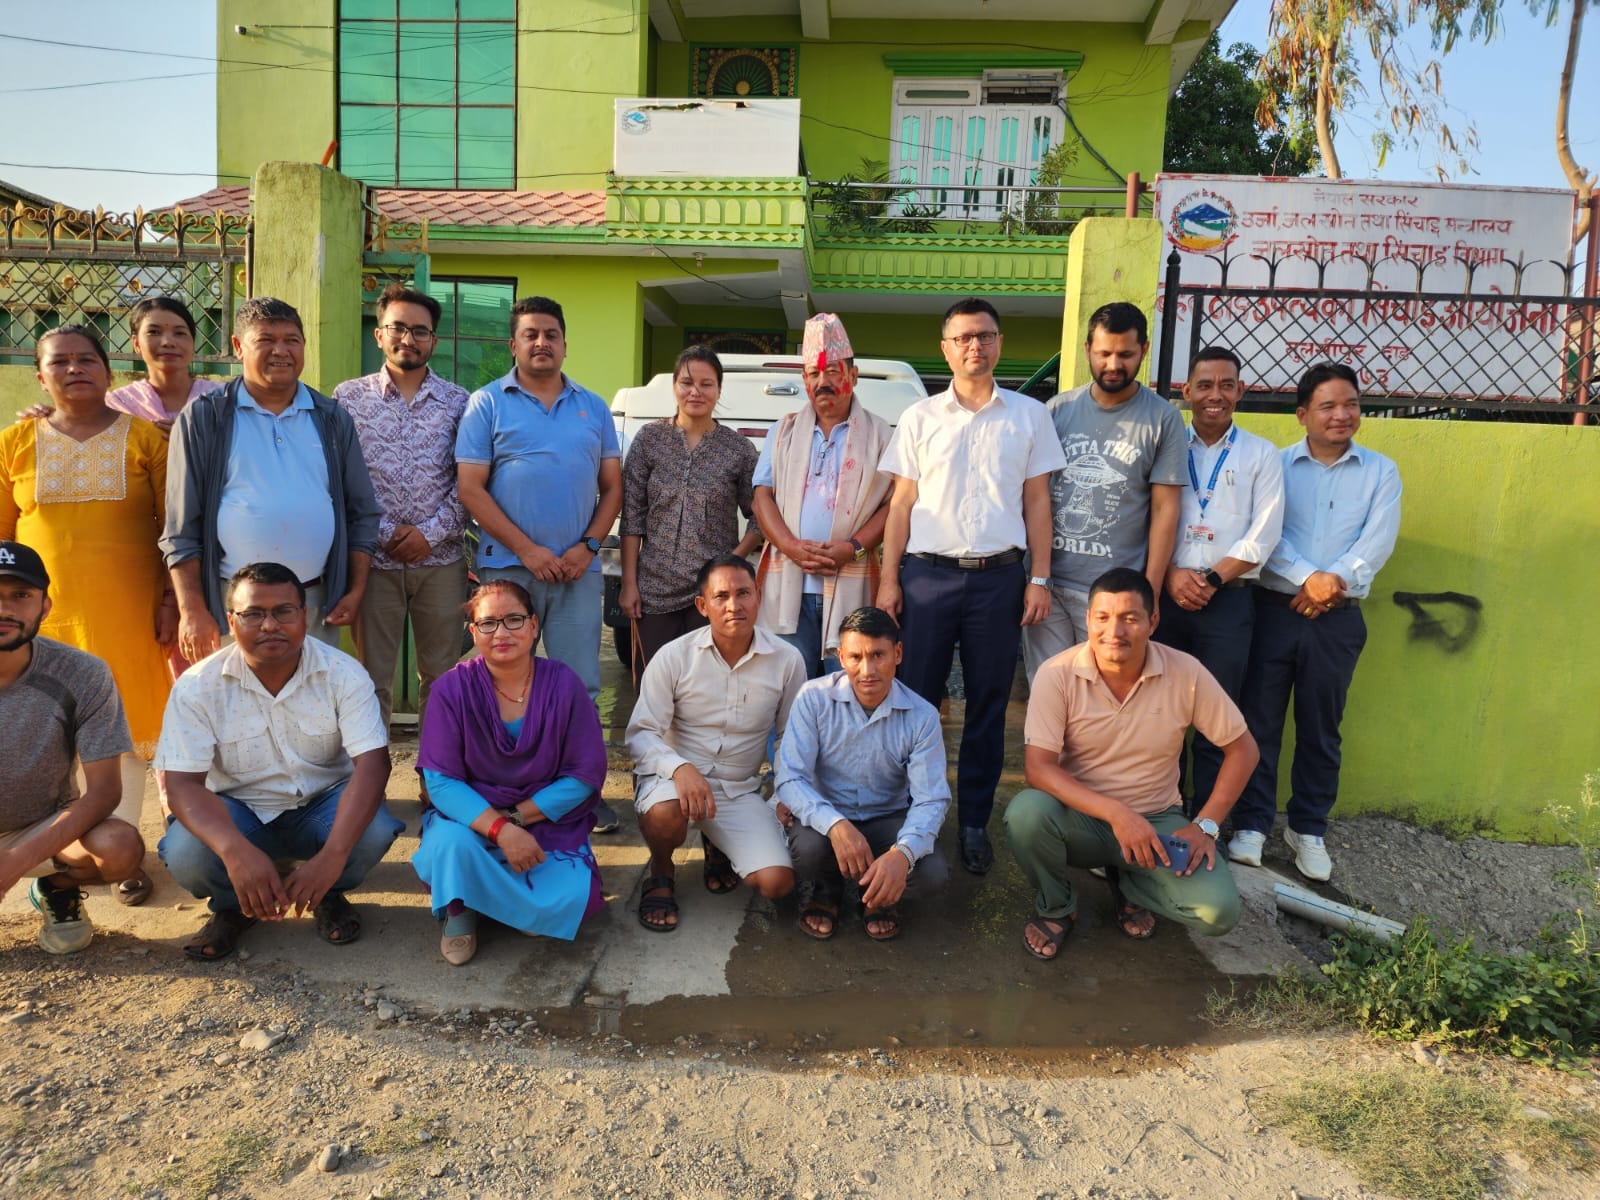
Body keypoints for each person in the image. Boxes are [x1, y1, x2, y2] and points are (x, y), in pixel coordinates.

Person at [876, 297, 1066, 876]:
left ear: (999, 343)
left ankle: (975, 823)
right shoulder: (920, 418)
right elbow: (901, 503)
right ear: (945, 348)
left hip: (999, 580)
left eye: (983, 336)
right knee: (914, 703)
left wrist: (1039, 578)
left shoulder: (1029, 415)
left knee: (987, 705)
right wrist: (888, 579)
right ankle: (909, 817)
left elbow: (1037, 501)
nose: (973, 347)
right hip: (927, 576)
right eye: (961, 338)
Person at [1004, 568, 1259, 961]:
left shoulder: (1186, 672)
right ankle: (1058, 907)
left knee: (1218, 913)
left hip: (1157, 822)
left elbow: (1243, 750)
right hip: (1081, 820)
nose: (1115, 631)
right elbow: (1039, 768)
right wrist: (1117, 814)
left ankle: (1129, 882)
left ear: (1153, 621)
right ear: (1088, 620)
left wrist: (1206, 825)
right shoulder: (1057, 674)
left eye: (1130, 618)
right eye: (1103, 618)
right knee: (1026, 814)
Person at [1, 326, 173, 905]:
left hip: (127, 612)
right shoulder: (14, 444)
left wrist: (172, 600)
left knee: (124, 726)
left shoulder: (146, 439)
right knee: (41, 725)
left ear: (110, 370)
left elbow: (174, 532)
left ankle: (116, 856)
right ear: (40, 376)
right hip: (37, 621)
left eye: (87, 359)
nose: (75, 369)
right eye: (61, 362)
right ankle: (51, 846)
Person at [155, 562, 400, 961]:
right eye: (253, 614)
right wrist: (234, 850)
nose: (270, 625)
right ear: (231, 621)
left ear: (305, 616)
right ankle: (234, 905)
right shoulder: (198, 686)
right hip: (238, 812)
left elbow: (373, 764)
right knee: (186, 853)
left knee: (373, 830)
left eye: (284, 611)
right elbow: (182, 784)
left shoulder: (343, 673)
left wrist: (333, 855)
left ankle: (327, 891)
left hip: (322, 806)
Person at [1228, 362, 1402, 883]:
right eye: (1327, 406)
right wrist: (1310, 579)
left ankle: (1307, 828)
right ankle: (1253, 824)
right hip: (1273, 612)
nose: (1341, 415)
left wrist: (1333, 584)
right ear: (1302, 414)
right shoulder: (1274, 466)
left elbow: (1378, 541)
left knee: (1321, 728)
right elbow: (1265, 534)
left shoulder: (1380, 472)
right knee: (1258, 721)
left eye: (1350, 404)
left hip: (1338, 620)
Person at [456, 295, 623, 832]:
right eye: (530, 334)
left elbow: (613, 487)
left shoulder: (592, 406)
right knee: (505, 682)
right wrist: (528, 550)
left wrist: (589, 546)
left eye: (551, 333)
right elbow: (470, 489)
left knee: (579, 685)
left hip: (577, 572)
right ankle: (505, 793)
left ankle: (581, 796)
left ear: (565, 343)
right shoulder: (487, 404)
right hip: (508, 571)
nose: (541, 343)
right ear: (514, 344)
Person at [162, 297, 383, 660]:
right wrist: (193, 610)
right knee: (238, 709)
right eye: (266, 340)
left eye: (291, 340)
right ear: (238, 347)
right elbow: (181, 528)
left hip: (313, 604)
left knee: (310, 709)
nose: (281, 351)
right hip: (234, 604)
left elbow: (362, 513)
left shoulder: (330, 418)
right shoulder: (205, 418)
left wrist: (354, 590)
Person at [413, 580, 608, 965]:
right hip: (471, 819)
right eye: (488, 623)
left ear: (534, 626)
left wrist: (517, 819)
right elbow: (441, 781)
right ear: (473, 632)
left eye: (514, 620)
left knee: (572, 896)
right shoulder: (451, 689)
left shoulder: (563, 683)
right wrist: (500, 830)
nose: (501, 633)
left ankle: (496, 899)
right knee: (448, 846)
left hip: (542, 818)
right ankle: (461, 911)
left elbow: (583, 774)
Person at [625, 555, 806, 931]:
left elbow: (791, 735)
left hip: (737, 790)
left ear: (759, 596)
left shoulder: (787, 660)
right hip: (674, 785)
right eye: (721, 596)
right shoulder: (673, 657)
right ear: (702, 605)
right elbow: (641, 733)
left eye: (744, 593)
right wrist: (680, 768)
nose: (733, 605)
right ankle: (661, 870)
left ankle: (717, 843)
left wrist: (783, 793)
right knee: (665, 815)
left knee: (777, 882)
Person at [1151, 347, 1284, 813]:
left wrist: (1209, 579)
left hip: (1228, 603)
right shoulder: (1167, 446)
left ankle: (1206, 820)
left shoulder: (1261, 455)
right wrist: (1169, 574)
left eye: (1226, 385)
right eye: (1204, 385)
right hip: (1165, 598)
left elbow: (1263, 535)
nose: (1215, 395)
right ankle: (1162, 809)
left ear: (1240, 392)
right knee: (1161, 712)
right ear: (1186, 392)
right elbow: (1146, 517)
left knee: (1217, 716)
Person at [333, 283, 470, 731]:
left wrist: (428, 533)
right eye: (398, 328)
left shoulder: (460, 402)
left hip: (442, 561)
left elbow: (468, 481)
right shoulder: (347, 399)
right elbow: (340, 478)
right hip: (373, 561)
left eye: (420, 331)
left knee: (444, 677)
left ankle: (438, 778)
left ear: (433, 339)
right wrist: (385, 531)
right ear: (379, 334)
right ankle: (372, 784)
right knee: (371, 679)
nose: (407, 339)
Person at [1023, 302, 1185, 681]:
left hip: (1115, 594)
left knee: (1105, 695)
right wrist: (1036, 578)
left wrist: (1152, 591)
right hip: (1050, 584)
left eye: (1126, 354)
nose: (1114, 364)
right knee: (1048, 689)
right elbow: (1035, 495)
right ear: (1087, 351)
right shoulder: (1057, 411)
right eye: (1104, 353)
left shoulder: (1162, 419)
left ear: (1143, 351)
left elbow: (1165, 512)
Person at [0, 541, 146, 954]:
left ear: (45, 606)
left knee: (120, 848)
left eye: (20, 595)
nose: (4, 609)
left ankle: (57, 887)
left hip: (42, 825)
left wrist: (18, 860)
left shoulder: (82, 672)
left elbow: (104, 793)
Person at [776, 606, 949, 942]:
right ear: (840, 657)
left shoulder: (922, 716)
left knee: (932, 876)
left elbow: (932, 799)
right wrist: (837, 826)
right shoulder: (813, 698)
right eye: (855, 656)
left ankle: (880, 896)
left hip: (889, 818)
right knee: (807, 851)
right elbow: (790, 778)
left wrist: (902, 854)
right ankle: (828, 888)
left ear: (897, 654)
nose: (867, 670)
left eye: (878, 655)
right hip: (829, 816)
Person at [752, 313, 892, 678]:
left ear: (853, 375)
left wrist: (854, 546)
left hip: (853, 581)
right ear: (804, 381)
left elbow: (894, 506)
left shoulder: (882, 435)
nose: (823, 382)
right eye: (814, 374)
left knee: (847, 687)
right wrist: (790, 546)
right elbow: (761, 497)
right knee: (787, 687)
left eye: (832, 371)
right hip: (789, 586)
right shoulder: (782, 432)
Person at [620, 345, 760, 674]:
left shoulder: (737, 449)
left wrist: (731, 562)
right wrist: (629, 582)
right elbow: (632, 518)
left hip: (713, 593)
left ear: (718, 390)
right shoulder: (650, 439)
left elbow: (760, 516)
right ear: (674, 386)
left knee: (708, 687)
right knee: (655, 685)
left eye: (706, 384)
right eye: (686, 382)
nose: (695, 391)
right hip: (653, 589)